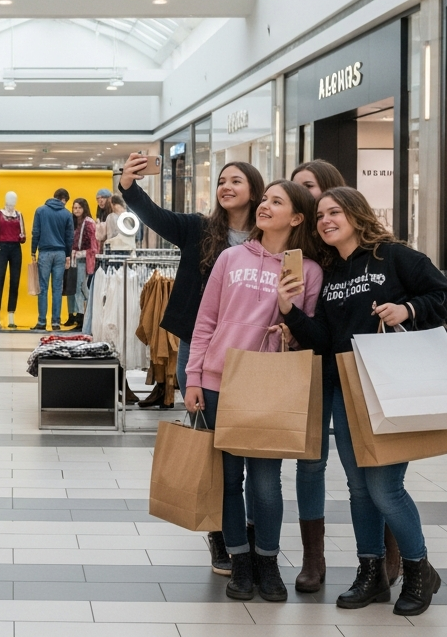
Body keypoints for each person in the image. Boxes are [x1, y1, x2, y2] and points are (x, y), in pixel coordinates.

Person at [279, 187, 447, 617]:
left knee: (384, 487)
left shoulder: (393, 257)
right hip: (346, 388)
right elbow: (324, 339)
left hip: (391, 386)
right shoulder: (332, 274)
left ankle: (418, 570)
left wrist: (407, 310)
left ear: (358, 215)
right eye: (320, 215)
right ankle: (371, 572)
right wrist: (289, 314)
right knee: (359, 488)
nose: (325, 220)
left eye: (334, 211)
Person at [185, 180, 324, 603]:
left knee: (265, 483)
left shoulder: (307, 271)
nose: (264, 206)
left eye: (276, 202)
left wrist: (289, 314)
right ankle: (239, 561)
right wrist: (193, 377)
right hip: (218, 382)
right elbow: (206, 320)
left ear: (296, 218)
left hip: (268, 385)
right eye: (265, 200)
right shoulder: (230, 257)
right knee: (227, 480)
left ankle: (268, 560)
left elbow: (308, 336)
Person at [119, 155, 262, 562]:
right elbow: (155, 216)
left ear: (254, 189)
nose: (226, 186)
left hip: (251, 356)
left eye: (236, 180)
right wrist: (128, 185)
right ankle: (219, 532)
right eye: (221, 180)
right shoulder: (200, 230)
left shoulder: (269, 236)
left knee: (250, 447)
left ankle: (250, 530)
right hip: (198, 350)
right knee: (209, 444)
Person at [286, 159, 354, 592]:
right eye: (298, 189)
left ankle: (386, 552)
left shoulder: (352, 244)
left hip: (351, 366)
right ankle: (314, 559)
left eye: (309, 187)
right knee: (309, 462)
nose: (306, 197)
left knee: (361, 461)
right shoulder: (297, 246)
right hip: (308, 364)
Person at [31, 188, 75, 331]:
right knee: (57, 288)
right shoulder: (67, 214)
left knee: (43, 288)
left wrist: (33, 251)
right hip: (60, 253)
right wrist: (67, 255)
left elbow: (36, 232)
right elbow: (70, 237)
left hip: (44, 252)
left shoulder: (40, 211)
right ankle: (56, 322)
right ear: (63, 199)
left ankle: (42, 322)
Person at [0, 192, 26, 329]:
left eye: (14, 199)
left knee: (15, 281)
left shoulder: (19, 215)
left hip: (15, 249)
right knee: (0, 280)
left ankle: (11, 316)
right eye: (10, 199)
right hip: (2, 248)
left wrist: (22, 237)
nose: (11, 201)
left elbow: (23, 237)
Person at [65, 198, 97, 329]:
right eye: (74, 208)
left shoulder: (89, 223)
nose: (76, 210)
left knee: (81, 288)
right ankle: (80, 317)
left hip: (83, 259)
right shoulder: (73, 222)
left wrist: (82, 253)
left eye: (79, 208)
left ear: (84, 208)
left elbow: (94, 245)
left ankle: (83, 318)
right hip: (73, 259)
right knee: (76, 288)